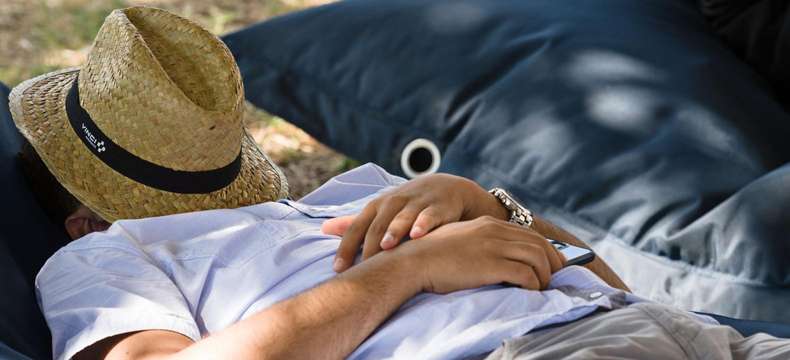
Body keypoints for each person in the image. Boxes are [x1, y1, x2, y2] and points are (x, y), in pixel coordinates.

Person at [11, 6, 789, 360]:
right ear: (82, 219)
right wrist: (407, 270)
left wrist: (496, 208)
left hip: (684, 332)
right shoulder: (107, 258)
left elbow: (612, 286)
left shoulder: (347, 194)